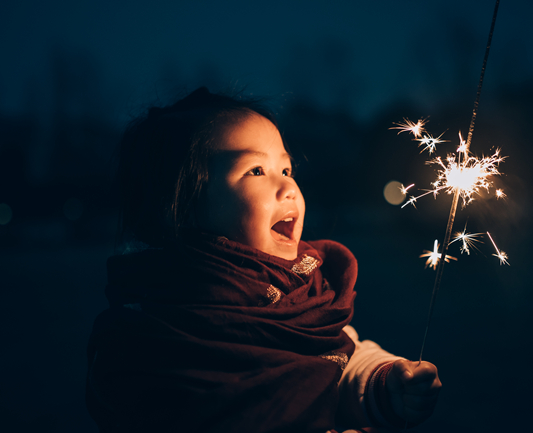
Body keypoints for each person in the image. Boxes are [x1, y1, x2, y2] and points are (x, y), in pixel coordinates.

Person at [86, 87, 441, 433]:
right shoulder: (164, 329)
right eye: (256, 171)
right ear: (182, 207)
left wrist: (385, 382)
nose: (288, 188)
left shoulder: (303, 288)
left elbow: (336, 360)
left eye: (286, 170)